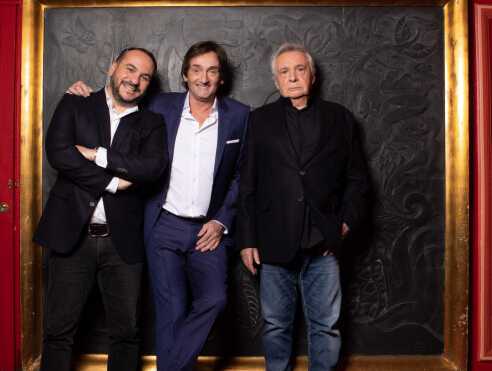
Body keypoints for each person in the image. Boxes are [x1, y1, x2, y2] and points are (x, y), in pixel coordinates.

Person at [68, 40, 249, 371]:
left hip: (208, 229)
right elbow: (124, 92)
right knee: (172, 312)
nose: (204, 78)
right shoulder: (161, 106)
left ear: (221, 78)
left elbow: (240, 175)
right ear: (184, 76)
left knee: (215, 299)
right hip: (163, 225)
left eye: (212, 71)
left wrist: (222, 221)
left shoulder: (239, 116)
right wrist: (84, 95)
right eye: (196, 70)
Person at [33, 48, 168, 371]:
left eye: (144, 77)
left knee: (125, 333)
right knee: (58, 333)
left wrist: (96, 154)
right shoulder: (76, 102)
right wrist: (113, 182)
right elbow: (59, 154)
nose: (134, 81)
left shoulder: (152, 122)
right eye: (130, 70)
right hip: (72, 235)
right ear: (112, 67)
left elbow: (150, 168)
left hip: (122, 242)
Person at [236, 42, 368, 371]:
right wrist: (247, 239)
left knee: (326, 326)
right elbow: (248, 184)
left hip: (324, 242)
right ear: (276, 81)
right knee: (276, 325)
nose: (293, 77)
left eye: (299, 69)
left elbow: (358, 180)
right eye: (284, 72)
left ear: (312, 74)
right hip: (273, 241)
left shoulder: (341, 118)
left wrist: (346, 223)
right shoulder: (259, 121)